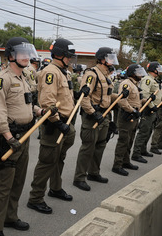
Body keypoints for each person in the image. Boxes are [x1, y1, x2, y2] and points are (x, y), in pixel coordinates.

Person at [0, 37, 43, 236]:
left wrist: (40, 111)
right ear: (11, 55)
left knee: (18, 181)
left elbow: (26, 104)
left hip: (24, 136)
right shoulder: (1, 80)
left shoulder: (24, 77)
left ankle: (10, 217)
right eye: (22, 53)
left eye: (28, 53)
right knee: (3, 185)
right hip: (9, 139)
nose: (27, 57)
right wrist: (8, 137)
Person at [27, 38, 77, 214]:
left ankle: (55, 188)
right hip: (55, 124)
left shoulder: (64, 72)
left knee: (59, 158)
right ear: (60, 55)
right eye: (68, 56)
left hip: (66, 122)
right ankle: (35, 198)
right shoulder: (50, 72)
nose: (70, 59)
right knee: (47, 161)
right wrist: (58, 122)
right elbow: (48, 101)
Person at [72, 47, 119, 191]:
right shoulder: (91, 74)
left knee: (100, 145)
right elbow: (84, 97)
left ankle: (93, 172)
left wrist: (120, 96)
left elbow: (107, 95)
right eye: (110, 58)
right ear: (102, 59)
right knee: (88, 147)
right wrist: (93, 113)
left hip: (104, 115)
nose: (112, 61)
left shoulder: (106, 75)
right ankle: (79, 177)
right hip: (92, 116)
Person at [111, 63, 145, 176]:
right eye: (138, 73)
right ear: (132, 74)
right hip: (127, 115)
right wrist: (132, 110)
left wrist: (145, 101)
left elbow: (135, 100)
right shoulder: (126, 83)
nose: (141, 75)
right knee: (123, 141)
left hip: (134, 115)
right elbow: (122, 100)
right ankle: (117, 165)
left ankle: (125, 161)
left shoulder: (135, 84)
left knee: (130, 140)